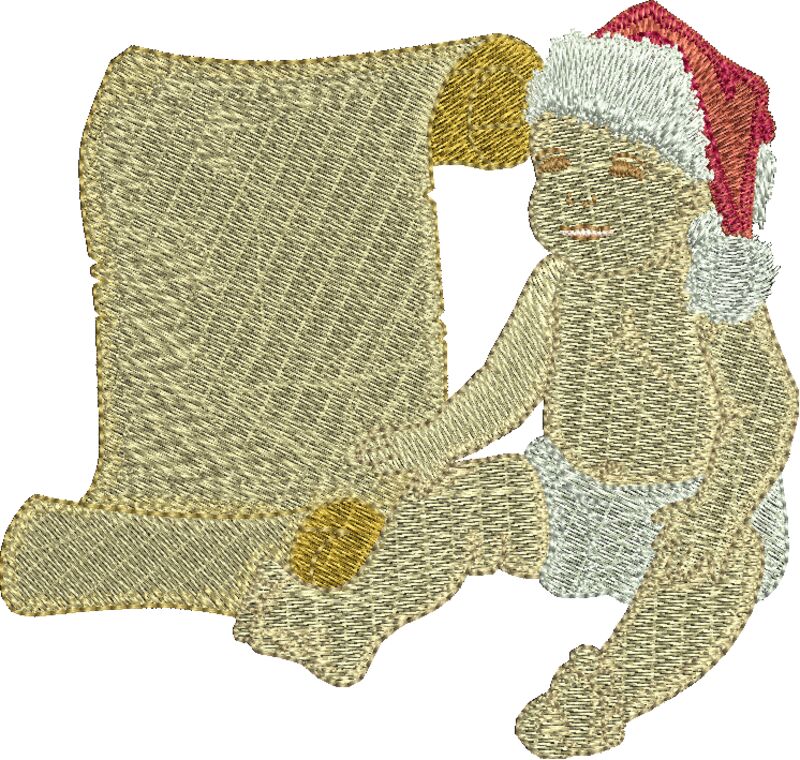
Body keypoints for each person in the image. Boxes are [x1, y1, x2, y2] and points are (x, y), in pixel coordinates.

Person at [234, 3, 797, 754]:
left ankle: (604, 692)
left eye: (623, 170)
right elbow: (503, 391)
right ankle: (344, 615)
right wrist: (424, 447)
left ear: (692, 189)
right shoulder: (558, 283)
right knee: (456, 504)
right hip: (568, 493)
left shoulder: (711, 292)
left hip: (690, 510)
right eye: (558, 165)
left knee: (712, 589)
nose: (582, 193)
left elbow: (764, 411)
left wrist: (716, 512)